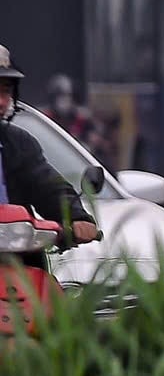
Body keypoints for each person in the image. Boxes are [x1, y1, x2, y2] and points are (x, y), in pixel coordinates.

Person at [0, 45, 100, 245]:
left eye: (6, 91)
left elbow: (47, 185)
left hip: (16, 262)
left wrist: (76, 217)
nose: (1, 102)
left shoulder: (20, 144)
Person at [44, 72, 108, 159]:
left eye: (67, 96)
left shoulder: (82, 119)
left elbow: (95, 139)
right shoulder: (46, 119)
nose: (64, 101)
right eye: (60, 96)